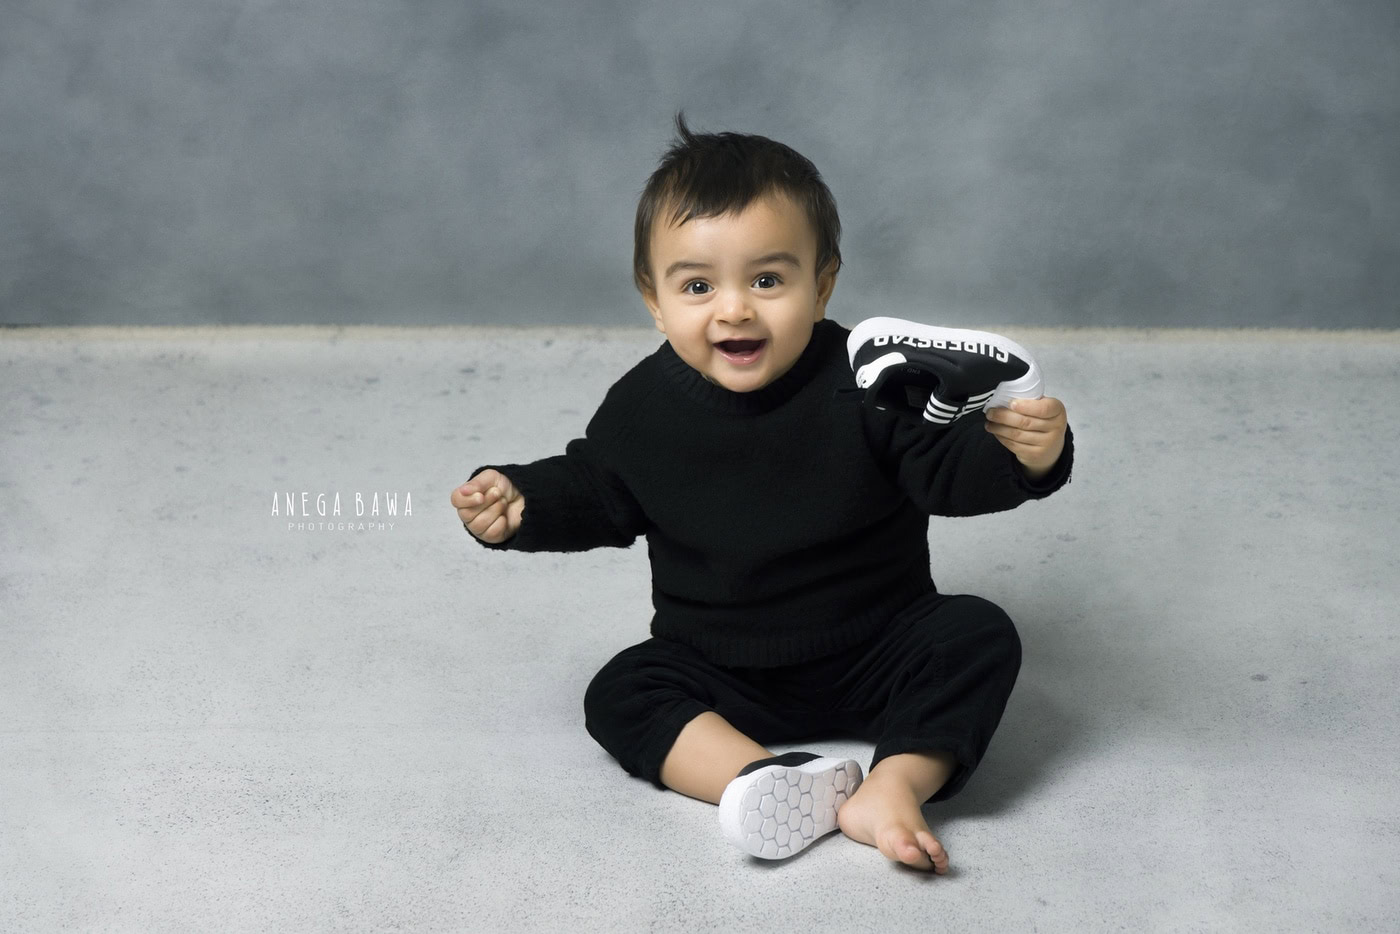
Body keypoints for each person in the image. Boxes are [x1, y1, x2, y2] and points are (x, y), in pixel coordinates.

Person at [450, 111, 1074, 873]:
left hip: (881, 645)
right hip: (720, 665)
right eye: (699, 285)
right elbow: (599, 487)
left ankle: (894, 782)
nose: (735, 308)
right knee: (622, 690)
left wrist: (1024, 459)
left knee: (976, 634)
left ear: (823, 286)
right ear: (654, 299)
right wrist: (524, 503)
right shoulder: (644, 407)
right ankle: (762, 779)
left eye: (769, 279)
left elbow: (944, 472)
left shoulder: (868, 380)